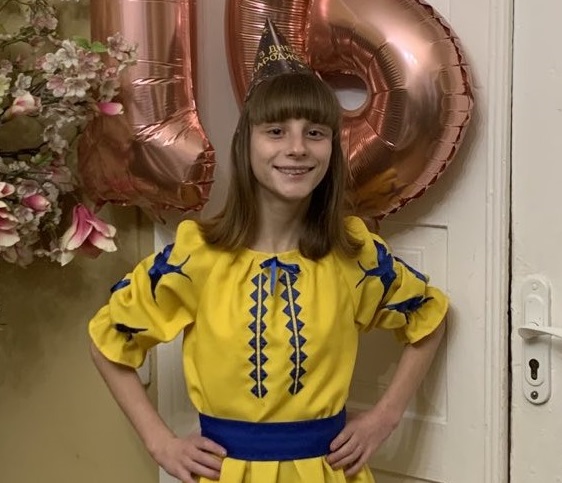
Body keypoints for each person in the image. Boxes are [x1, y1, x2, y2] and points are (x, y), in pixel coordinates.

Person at [88, 18, 448, 483]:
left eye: (315, 132)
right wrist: (160, 442)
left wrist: (386, 417)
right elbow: (109, 339)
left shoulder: (353, 254)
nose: (297, 148)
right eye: (276, 131)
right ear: (247, 144)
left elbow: (429, 317)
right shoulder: (197, 256)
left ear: (332, 148)